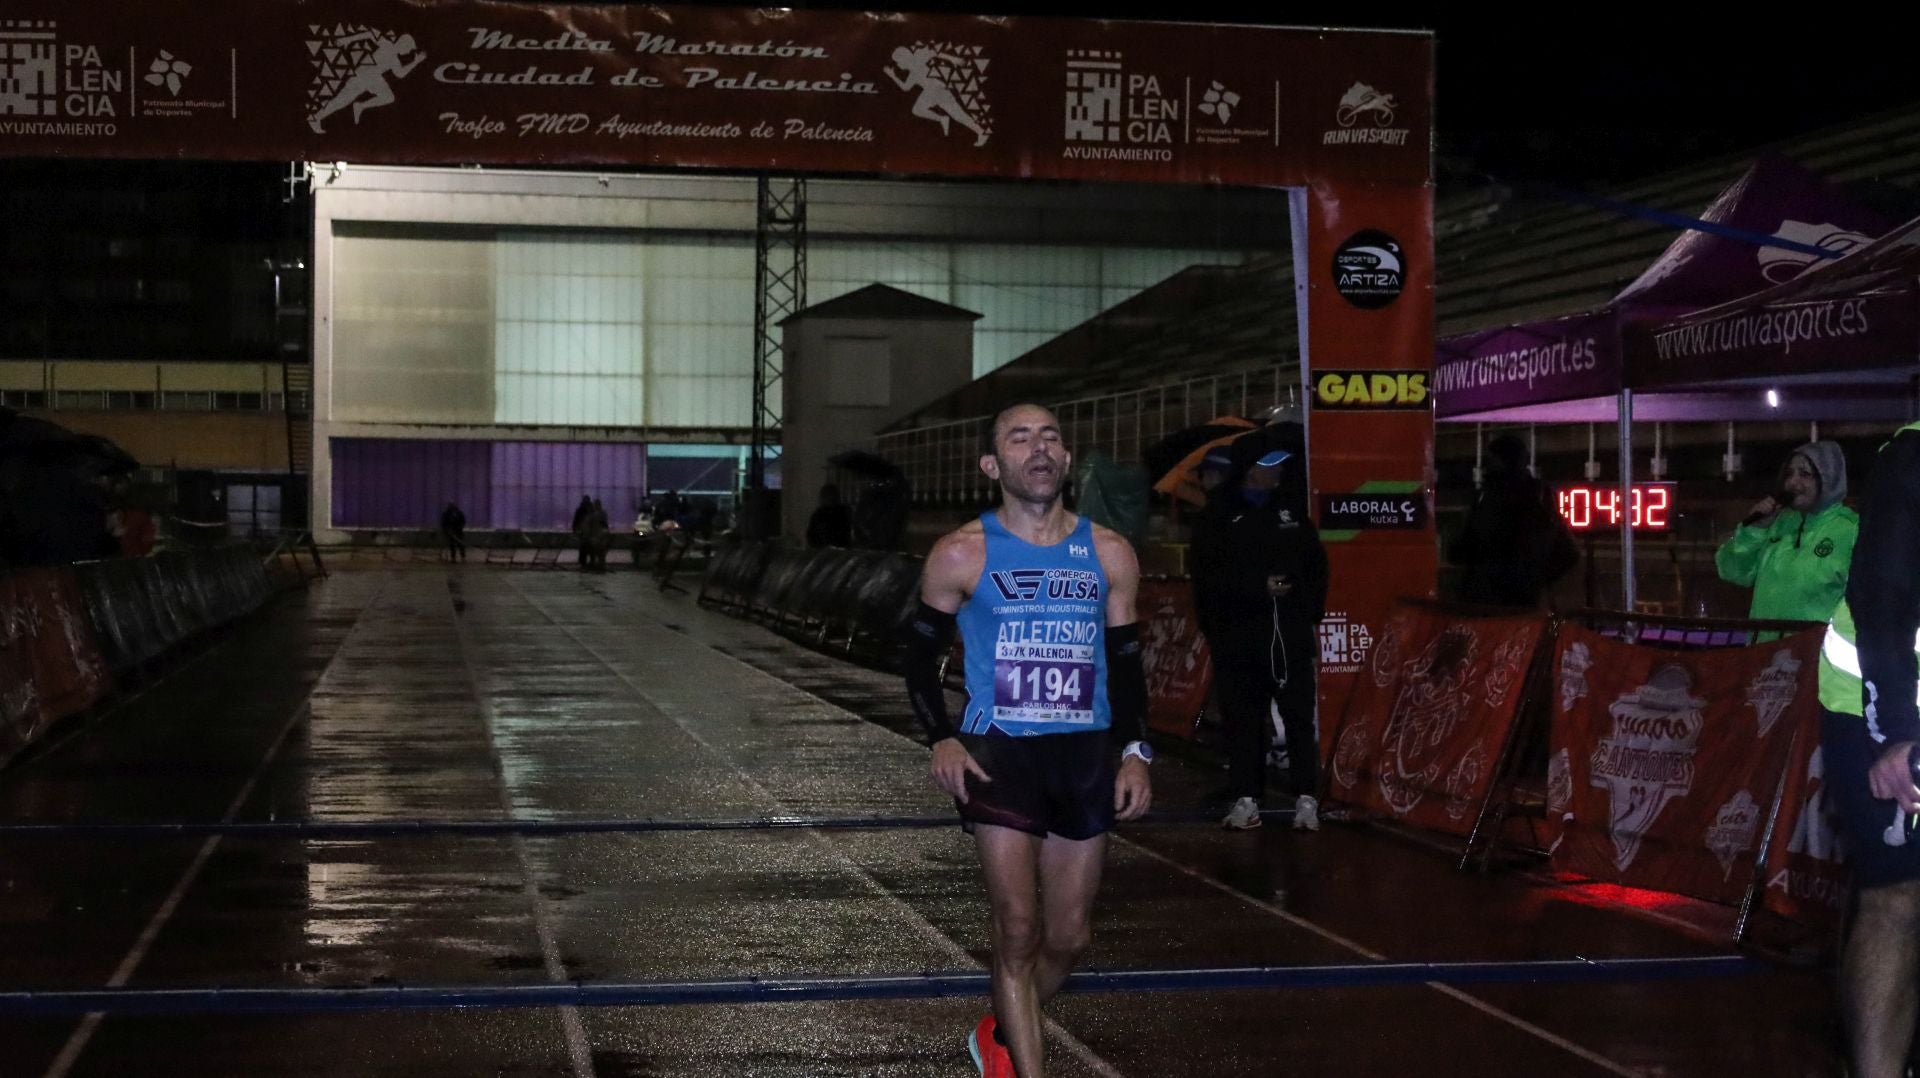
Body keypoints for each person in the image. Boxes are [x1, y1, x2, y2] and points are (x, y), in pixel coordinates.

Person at [905, 403, 1151, 1078]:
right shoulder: (962, 552)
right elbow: (918, 659)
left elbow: (1127, 664)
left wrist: (1136, 752)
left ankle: (1001, 1028)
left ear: (1067, 460)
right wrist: (942, 739)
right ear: (993, 465)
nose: (1038, 449)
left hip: (1083, 754)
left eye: (1050, 438)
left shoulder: (1109, 552)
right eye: (1020, 438)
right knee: (1017, 930)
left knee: (1068, 937)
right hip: (999, 754)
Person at [1815, 423, 1920, 1078]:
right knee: (1901, 896)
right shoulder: (1912, 460)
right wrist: (1896, 732)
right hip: (1875, 705)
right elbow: (1880, 597)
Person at [1191, 447, 1329, 831]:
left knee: (1298, 717)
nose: (1278, 472)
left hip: (1289, 635)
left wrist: (1304, 607)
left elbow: (1316, 565)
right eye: (1270, 465)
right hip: (1238, 638)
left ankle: (1306, 799)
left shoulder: (1291, 512)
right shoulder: (1218, 514)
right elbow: (1207, 577)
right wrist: (1256, 588)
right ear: (1250, 469)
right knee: (1243, 720)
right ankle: (1246, 797)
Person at [1716, 440, 1856, 630]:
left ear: (1828, 478)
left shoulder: (1850, 530)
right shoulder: (1775, 523)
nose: (1793, 483)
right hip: (1767, 651)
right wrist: (1754, 530)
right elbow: (1730, 570)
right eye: (1789, 473)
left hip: (1816, 654)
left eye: (1805, 474)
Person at [1447, 433, 1577, 608]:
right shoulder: (1539, 497)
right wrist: (1535, 580)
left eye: (1492, 460)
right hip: (1523, 600)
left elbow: (1466, 546)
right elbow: (1568, 553)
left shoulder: (1490, 498)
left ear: (1499, 461)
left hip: (1484, 599)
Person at [806, 483, 853, 548]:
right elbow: (811, 536)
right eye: (828, 496)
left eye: (832, 496)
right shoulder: (818, 514)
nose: (830, 498)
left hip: (840, 550)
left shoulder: (843, 512)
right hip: (824, 551)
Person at [571, 494, 594, 568]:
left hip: (583, 531)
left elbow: (575, 520)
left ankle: (583, 562)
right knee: (589, 547)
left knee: (583, 547)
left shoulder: (580, 509)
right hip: (589, 531)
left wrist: (575, 529)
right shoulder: (591, 509)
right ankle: (590, 561)